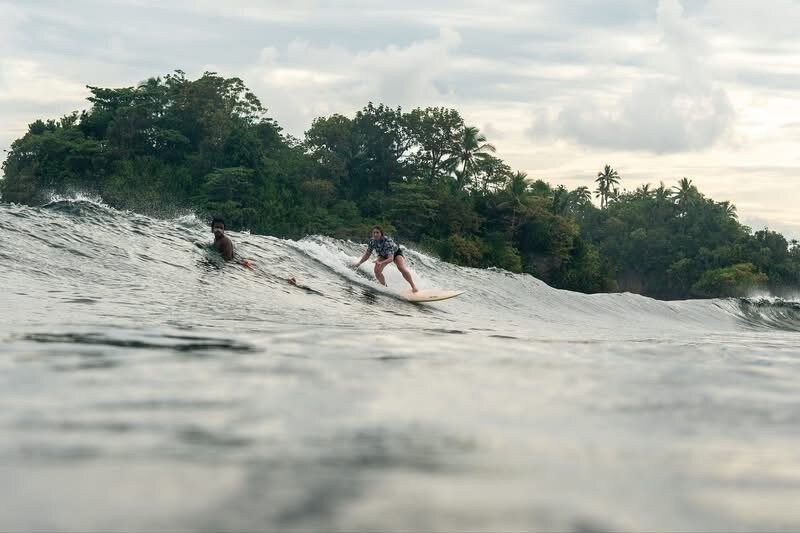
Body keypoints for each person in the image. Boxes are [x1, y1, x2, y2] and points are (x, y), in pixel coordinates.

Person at [210, 217, 296, 285]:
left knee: (260, 275)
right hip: (238, 261)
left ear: (224, 230)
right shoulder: (216, 240)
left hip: (238, 264)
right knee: (259, 274)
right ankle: (286, 280)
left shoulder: (225, 241)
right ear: (212, 229)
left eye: (221, 228)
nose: (218, 230)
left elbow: (227, 259)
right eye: (216, 227)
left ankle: (287, 281)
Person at [352, 226, 418, 292]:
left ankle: (413, 287)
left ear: (381, 234)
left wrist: (381, 262)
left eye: (377, 233)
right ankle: (384, 287)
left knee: (401, 268)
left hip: (395, 254)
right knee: (377, 271)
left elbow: (390, 259)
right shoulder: (372, 241)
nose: (375, 234)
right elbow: (367, 254)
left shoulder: (388, 242)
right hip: (383, 255)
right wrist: (359, 263)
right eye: (374, 232)